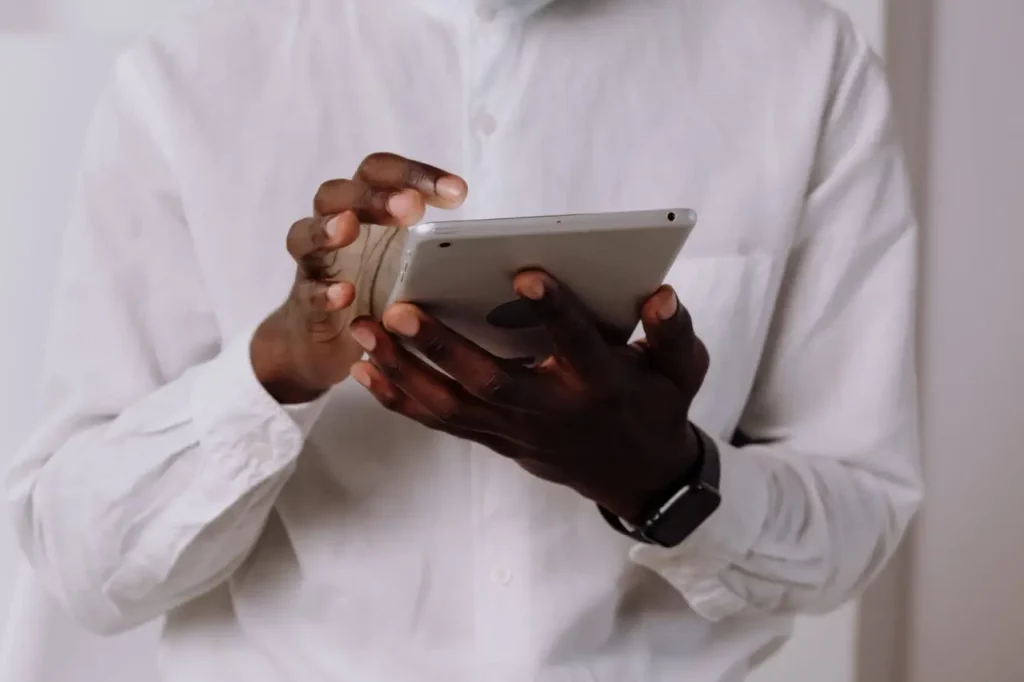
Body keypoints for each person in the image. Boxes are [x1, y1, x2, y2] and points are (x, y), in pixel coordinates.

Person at [6, 0, 923, 680]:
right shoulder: (188, 80)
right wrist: (277, 369)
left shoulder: (796, 61)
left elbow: (860, 513)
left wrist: (667, 481)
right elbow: (86, 571)